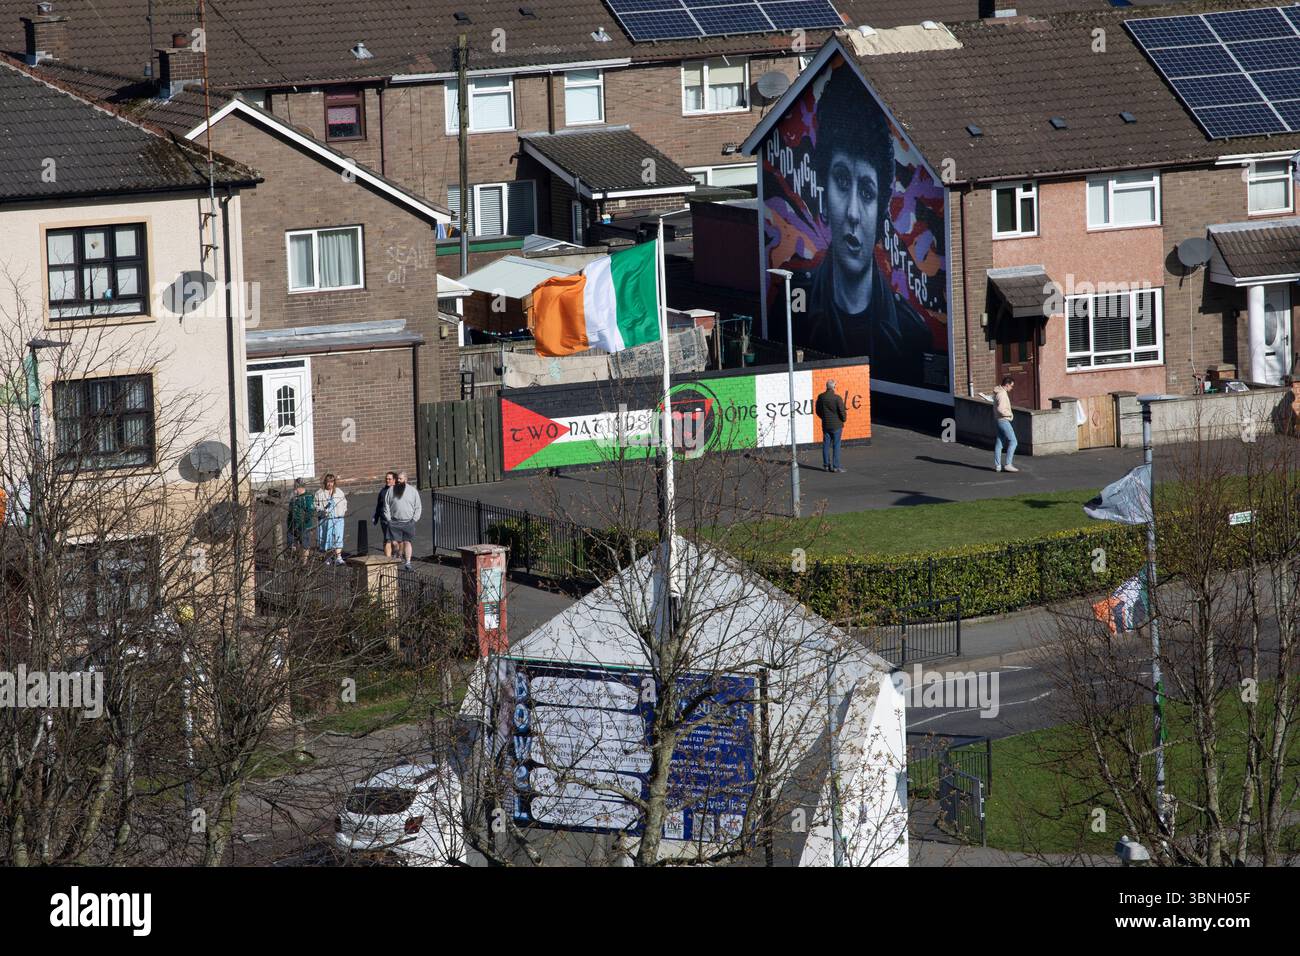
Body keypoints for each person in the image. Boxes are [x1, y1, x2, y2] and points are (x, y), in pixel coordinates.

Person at [790, 66, 933, 384]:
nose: (853, 213)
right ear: (824, 190)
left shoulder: (912, 334)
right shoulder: (789, 314)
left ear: (882, 206)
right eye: (841, 181)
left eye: (867, 192)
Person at [383, 471, 422, 571]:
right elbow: (386, 505)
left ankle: (408, 562)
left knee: (407, 542)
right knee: (394, 543)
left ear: (406, 479)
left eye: (401, 479)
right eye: (398, 479)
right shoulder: (391, 490)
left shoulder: (413, 491)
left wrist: (414, 519)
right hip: (394, 521)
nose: (399, 481)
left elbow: (418, 507)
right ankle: (397, 554)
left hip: (408, 521)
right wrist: (388, 519)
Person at [815, 378, 847, 473]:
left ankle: (826, 465)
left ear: (826, 387)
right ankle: (836, 466)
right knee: (836, 446)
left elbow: (817, 411)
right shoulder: (837, 398)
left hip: (826, 425)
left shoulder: (821, 397)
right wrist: (843, 419)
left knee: (826, 444)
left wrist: (823, 418)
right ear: (833, 387)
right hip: (837, 425)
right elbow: (842, 412)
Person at [314, 473, 348, 564]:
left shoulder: (339, 492)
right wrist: (322, 511)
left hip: (338, 519)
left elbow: (344, 503)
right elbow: (315, 506)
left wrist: (342, 512)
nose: (330, 484)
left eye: (332, 482)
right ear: (325, 482)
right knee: (326, 537)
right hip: (326, 519)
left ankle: (338, 557)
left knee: (338, 537)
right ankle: (328, 557)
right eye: (328, 482)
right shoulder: (319, 493)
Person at [993, 376, 1019, 473]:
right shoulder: (1002, 394)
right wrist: (1010, 414)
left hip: (998, 420)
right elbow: (1000, 409)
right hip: (1003, 420)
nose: (1011, 388)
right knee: (1013, 441)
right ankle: (1008, 464)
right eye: (1011, 386)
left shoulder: (998, 392)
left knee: (999, 443)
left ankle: (998, 465)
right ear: (1007, 385)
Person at [287, 477, 315, 564]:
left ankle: (304, 562)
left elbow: (310, 511)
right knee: (292, 544)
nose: (294, 489)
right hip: (293, 525)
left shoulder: (308, 497)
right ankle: (297, 559)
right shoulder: (294, 497)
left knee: (304, 544)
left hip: (304, 525)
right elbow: (290, 512)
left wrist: (303, 523)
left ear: (300, 487)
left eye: (296, 487)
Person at [372, 471, 397, 557]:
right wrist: (376, 517)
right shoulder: (383, 491)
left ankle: (395, 554)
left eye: (389, 479)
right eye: (386, 479)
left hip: (396, 520)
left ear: (394, 480)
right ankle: (388, 559)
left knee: (396, 541)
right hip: (385, 519)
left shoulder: (398, 491)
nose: (387, 481)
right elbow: (379, 506)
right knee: (387, 539)